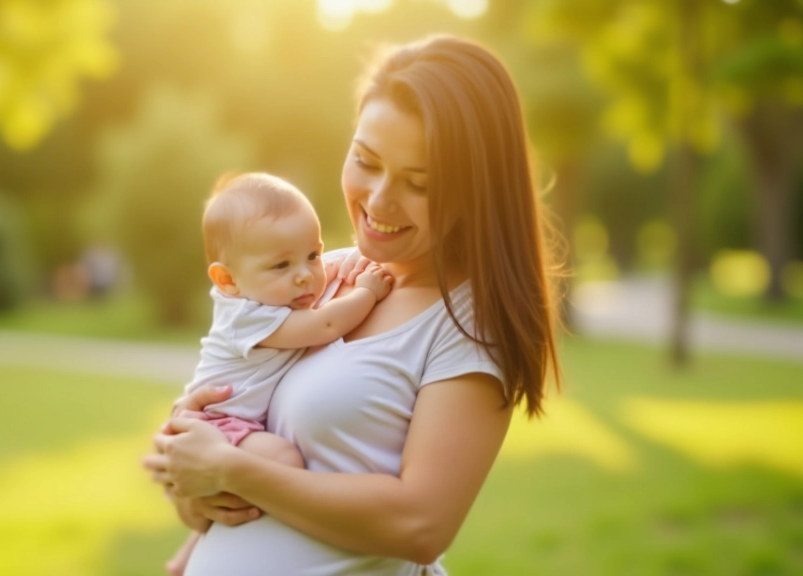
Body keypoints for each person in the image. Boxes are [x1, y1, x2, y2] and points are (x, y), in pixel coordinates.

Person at [143, 35, 561, 575]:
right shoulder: (322, 274)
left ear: (473, 191)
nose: (380, 200)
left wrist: (233, 471)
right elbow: (215, 457)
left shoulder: (469, 324)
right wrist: (195, 490)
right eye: (366, 160)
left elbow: (420, 526)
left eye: (419, 183)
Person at [166, 172, 395, 575]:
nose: (306, 274)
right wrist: (368, 292)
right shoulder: (247, 316)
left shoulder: (275, 293)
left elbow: (326, 282)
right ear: (228, 279)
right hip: (219, 421)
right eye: (281, 265)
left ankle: (188, 553)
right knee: (283, 459)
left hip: (232, 421)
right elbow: (324, 326)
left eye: (312, 255)